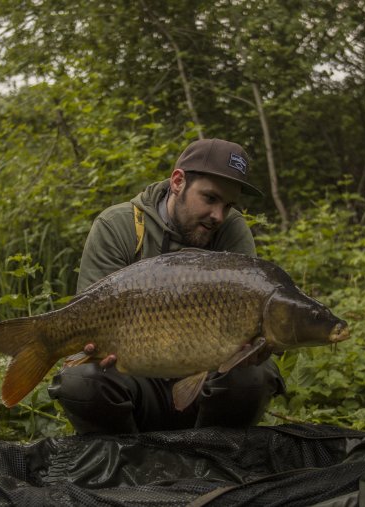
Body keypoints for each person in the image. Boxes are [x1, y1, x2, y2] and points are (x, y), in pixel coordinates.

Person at [47, 138, 286, 434]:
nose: (219, 215)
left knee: (255, 375)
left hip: (207, 389)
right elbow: (89, 314)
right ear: (177, 181)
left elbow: (252, 315)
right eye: (210, 198)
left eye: (228, 205)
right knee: (81, 380)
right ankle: (127, 465)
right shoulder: (118, 225)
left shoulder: (232, 231)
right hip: (135, 387)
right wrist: (91, 347)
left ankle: (211, 459)